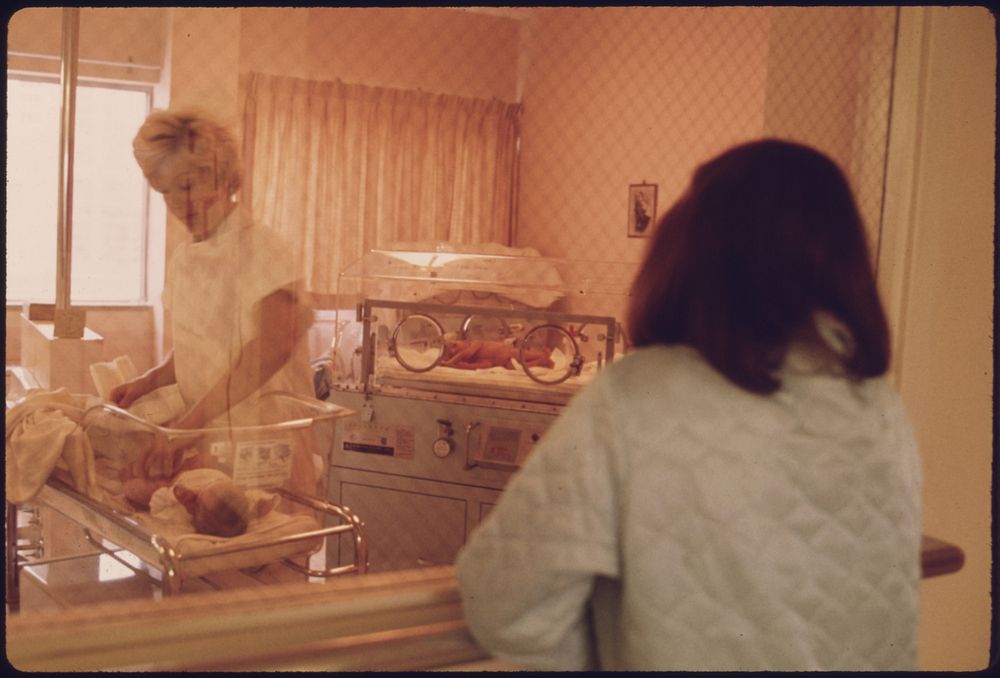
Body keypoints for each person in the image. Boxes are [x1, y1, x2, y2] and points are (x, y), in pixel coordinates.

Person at [455, 139, 922, 671]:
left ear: (689, 251)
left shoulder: (636, 398)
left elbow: (505, 604)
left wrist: (612, 639)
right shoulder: (880, 408)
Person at [110, 109, 318, 495]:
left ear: (222, 177)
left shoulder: (262, 249)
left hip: (263, 439)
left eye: (187, 186)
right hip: (210, 436)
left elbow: (272, 349)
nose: (176, 203)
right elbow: (197, 348)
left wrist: (187, 427)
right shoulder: (186, 257)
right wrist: (148, 381)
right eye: (165, 190)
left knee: (267, 541)